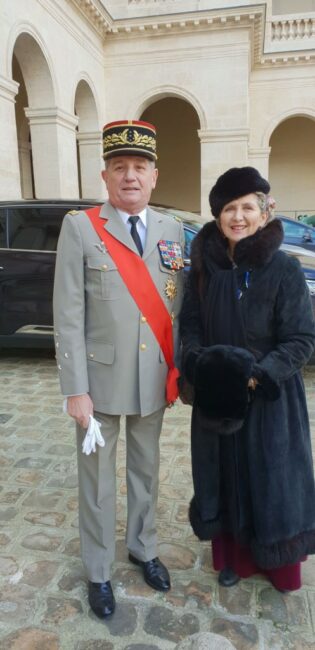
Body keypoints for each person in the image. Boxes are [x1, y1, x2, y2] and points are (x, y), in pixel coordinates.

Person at [53, 119, 184, 618]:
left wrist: (179, 370)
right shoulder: (81, 227)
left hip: (152, 379)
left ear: (154, 176)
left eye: (140, 167)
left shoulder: (172, 230)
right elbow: (67, 314)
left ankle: (144, 548)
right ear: (105, 177)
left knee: (147, 473)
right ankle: (99, 570)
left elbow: (176, 306)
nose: (131, 176)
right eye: (120, 167)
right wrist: (75, 390)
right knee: (98, 481)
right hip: (99, 382)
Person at [180, 166, 315, 592]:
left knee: (271, 480)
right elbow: (189, 329)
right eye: (229, 210)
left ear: (264, 211)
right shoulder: (203, 270)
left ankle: (277, 562)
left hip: (271, 402)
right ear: (218, 217)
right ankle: (233, 558)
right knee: (224, 477)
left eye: (247, 208)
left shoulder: (285, 270)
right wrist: (203, 367)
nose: (238, 217)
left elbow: (301, 339)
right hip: (217, 397)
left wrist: (257, 376)